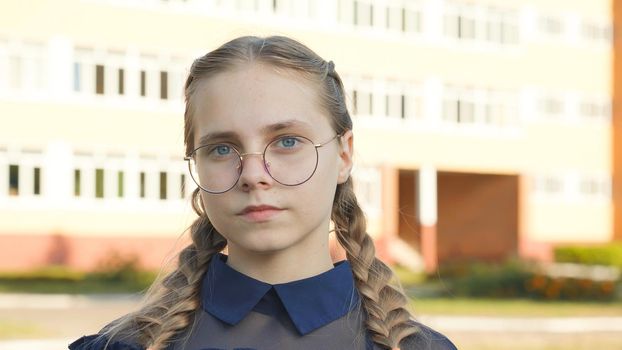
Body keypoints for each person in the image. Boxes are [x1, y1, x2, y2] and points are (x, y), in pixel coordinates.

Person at [68, 35, 457, 350]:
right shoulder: (121, 346)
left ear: (343, 154)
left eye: (287, 141)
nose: (253, 175)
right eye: (222, 148)